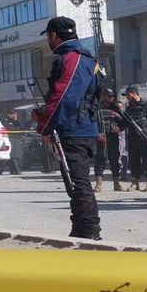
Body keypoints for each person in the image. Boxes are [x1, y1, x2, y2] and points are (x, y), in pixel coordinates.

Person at [33, 16, 101, 240]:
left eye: (49, 37)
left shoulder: (73, 58)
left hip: (75, 130)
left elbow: (64, 97)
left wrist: (44, 126)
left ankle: (90, 232)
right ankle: (80, 230)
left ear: (53, 35)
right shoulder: (85, 57)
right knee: (75, 182)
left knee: (78, 182)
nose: (49, 42)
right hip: (79, 126)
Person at [123, 84, 147, 192]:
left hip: (144, 137)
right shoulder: (129, 107)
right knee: (133, 160)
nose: (126, 97)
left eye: (128, 94)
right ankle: (134, 182)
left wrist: (144, 130)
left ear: (134, 93)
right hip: (132, 137)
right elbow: (125, 122)